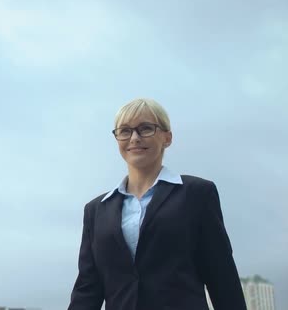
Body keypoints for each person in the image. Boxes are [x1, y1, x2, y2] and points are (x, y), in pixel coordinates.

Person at [68, 98, 246, 310]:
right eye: (125, 131)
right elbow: (87, 289)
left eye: (145, 128)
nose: (134, 137)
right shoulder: (96, 211)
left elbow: (222, 276)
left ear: (167, 137)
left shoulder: (197, 194)